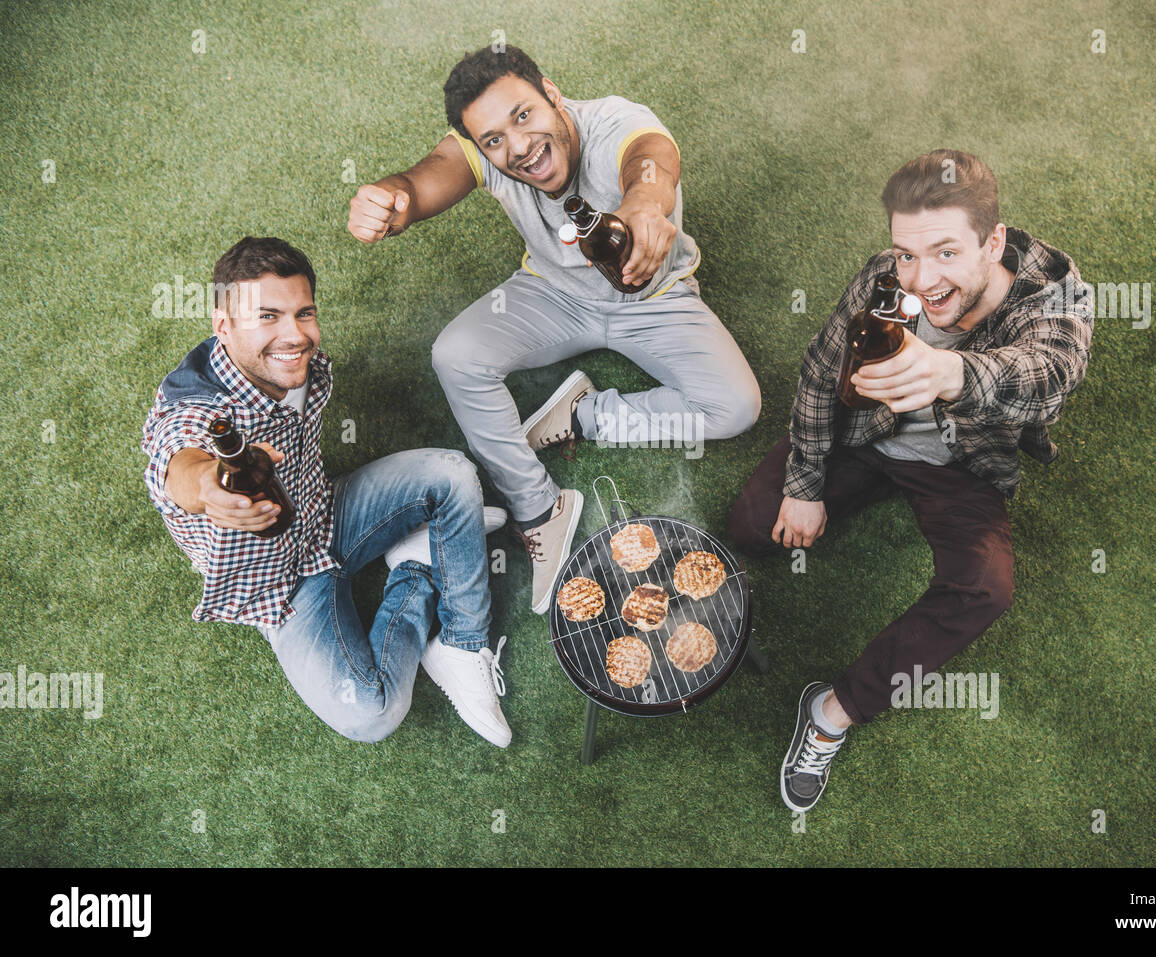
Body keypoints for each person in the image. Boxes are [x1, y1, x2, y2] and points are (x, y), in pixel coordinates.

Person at [727, 151, 1094, 811]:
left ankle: (833, 711)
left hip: (961, 466)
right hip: (867, 436)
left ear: (994, 241)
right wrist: (805, 484)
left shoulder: (1055, 299)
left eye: (947, 252)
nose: (922, 280)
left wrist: (953, 374)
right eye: (906, 254)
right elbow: (818, 373)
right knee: (751, 524)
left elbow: (1048, 378)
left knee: (984, 586)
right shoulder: (884, 277)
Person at [347, 44, 761, 614]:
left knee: (736, 408)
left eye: (524, 115)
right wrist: (389, 199)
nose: (518, 147)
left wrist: (644, 206)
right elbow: (418, 186)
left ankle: (585, 416)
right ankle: (539, 508)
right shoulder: (483, 153)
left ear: (552, 92)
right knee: (456, 354)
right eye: (493, 139)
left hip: (656, 300)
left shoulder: (617, 121)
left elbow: (651, 161)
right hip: (554, 294)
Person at [141, 236, 513, 747]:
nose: (294, 335)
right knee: (372, 714)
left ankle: (463, 646)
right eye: (267, 316)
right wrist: (208, 486)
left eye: (304, 313)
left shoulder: (294, 362)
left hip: (325, 512)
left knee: (451, 474)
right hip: (281, 582)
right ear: (223, 327)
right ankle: (416, 567)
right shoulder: (202, 410)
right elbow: (177, 458)